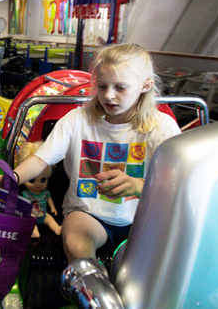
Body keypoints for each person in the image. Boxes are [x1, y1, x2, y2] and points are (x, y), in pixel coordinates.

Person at [12, 43, 180, 262]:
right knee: (76, 242)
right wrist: (10, 178)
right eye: (102, 86)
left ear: (145, 86)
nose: (108, 95)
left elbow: (179, 182)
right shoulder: (77, 119)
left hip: (144, 218)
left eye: (120, 87)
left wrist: (138, 186)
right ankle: (89, 286)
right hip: (88, 215)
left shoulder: (163, 127)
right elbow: (41, 159)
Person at [16, 141, 61, 238]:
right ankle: (34, 232)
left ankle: (57, 228)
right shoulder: (25, 194)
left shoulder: (45, 193)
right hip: (31, 216)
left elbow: (49, 199)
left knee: (50, 220)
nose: (38, 184)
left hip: (44, 215)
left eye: (43, 180)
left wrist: (53, 208)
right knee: (30, 223)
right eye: (32, 180)